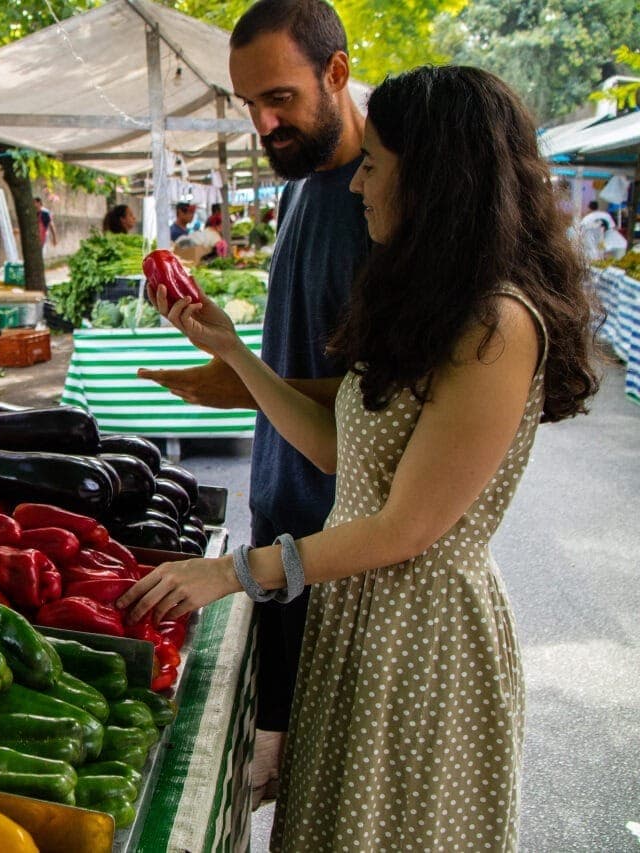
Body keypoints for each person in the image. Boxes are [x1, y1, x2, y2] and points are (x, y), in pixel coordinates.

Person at [122, 64, 598, 851]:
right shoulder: (428, 298)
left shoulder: (497, 326)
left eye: (374, 164)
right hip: (359, 622)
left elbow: (404, 526)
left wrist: (233, 572)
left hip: (424, 640)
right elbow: (346, 450)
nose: (356, 185)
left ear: (436, 178)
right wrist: (236, 356)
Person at [139, 0, 370, 805]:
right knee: (285, 773)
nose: (263, 123)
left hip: (346, 548)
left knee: (331, 786)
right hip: (282, 520)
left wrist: (243, 380)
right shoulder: (305, 185)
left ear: (337, 73)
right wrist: (232, 357)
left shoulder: (387, 202)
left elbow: (396, 406)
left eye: (280, 99)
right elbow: (308, 357)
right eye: (249, 105)